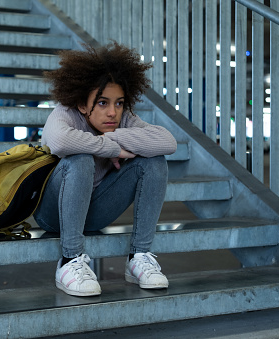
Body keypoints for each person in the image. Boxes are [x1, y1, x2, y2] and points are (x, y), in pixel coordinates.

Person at [33, 42, 177, 297]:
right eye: (102, 103)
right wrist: (111, 149)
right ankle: (69, 260)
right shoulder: (65, 113)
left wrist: (114, 138)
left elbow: (168, 142)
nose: (113, 112)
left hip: (95, 210)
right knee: (80, 159)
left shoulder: (121, 119)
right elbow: (59, 141)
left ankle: (139, 257)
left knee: (154, 161)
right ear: (82, 104)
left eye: (119, 103)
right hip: (52, 211)